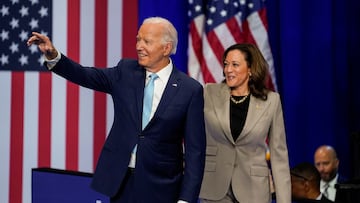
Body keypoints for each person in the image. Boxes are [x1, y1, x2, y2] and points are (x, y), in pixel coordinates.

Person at [27, 17, 206, 203]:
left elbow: (195, 152)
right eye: (138, 39)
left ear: (166, 48)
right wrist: (54, 55)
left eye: (147, 41)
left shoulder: (190, 90)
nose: (139, 46)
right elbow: (85, 75)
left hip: (162, 185)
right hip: (122, 181)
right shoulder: (126, 71)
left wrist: (186, 198)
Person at [198, 43, 291, 203]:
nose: (228, 70)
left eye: (235, 65)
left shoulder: (271, 101)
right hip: (216, 187)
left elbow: (279, 155)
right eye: (226, 64)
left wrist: (284, 200)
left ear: (250, 69)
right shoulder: (209, 93)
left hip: (254, 190)